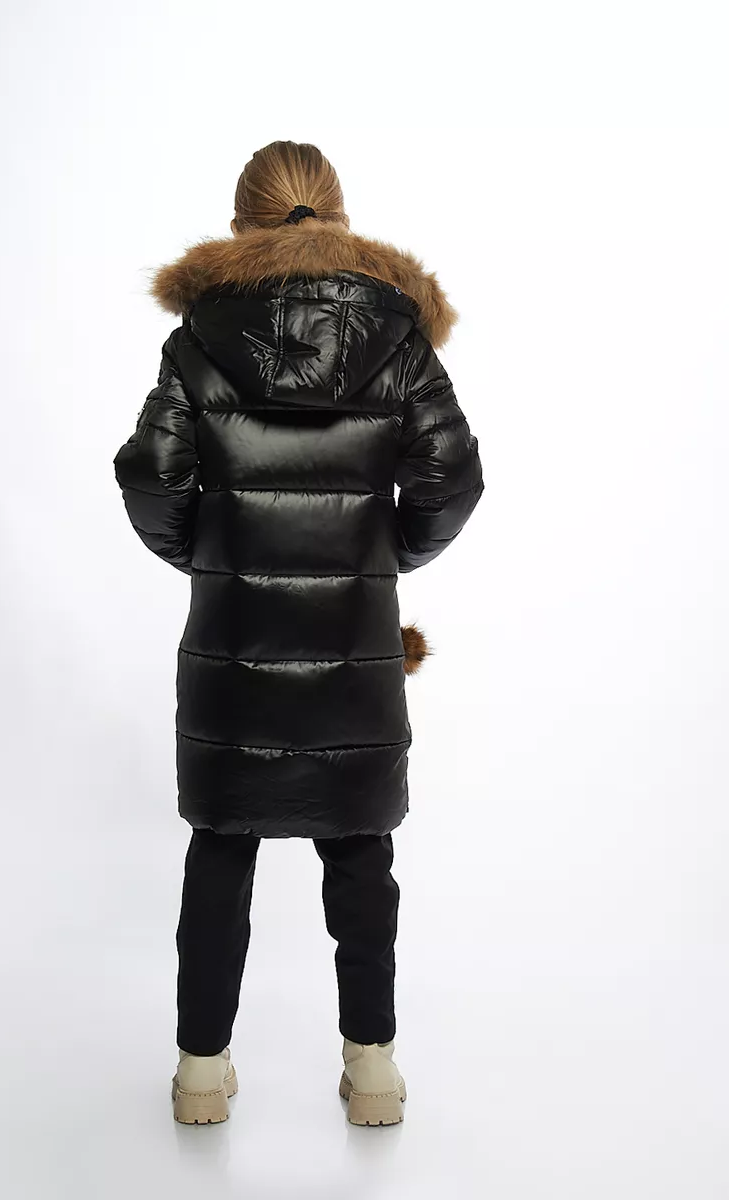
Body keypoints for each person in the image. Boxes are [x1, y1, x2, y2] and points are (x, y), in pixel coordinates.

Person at [113, 141, 484, 1126]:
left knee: (221, 848)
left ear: (242, 224)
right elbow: (454, 476)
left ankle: (201, 1073)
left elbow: (151, 472)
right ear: (339, 215)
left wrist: (210, 553)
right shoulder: (397, 333)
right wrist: (382, 557)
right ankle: (374, 1073)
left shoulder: (200, 335)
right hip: (354, 651)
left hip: (233, 645)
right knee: (359, 853)